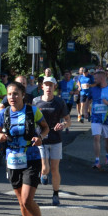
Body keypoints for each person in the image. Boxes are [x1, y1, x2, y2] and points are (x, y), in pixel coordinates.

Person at [0, 81, 50, 216]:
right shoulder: (3, 114)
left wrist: (39, 137)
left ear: (22, 95)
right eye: (9, 94)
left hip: (31, 158)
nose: (12, 97)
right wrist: (0, 138)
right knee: (21, 202)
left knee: (27, 200)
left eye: (15, 94)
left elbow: (45, 128)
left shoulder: (33, 111)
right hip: (12, 159)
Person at [33, 76, 71, 206]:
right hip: (41, 139)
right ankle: (43, 175)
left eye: (51, 85)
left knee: (55, 169)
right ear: (42, 87)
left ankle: (55, 194)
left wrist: (63, 125)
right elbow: (29, 119)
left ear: (55, 87)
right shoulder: (35, 102)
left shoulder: (59, 102)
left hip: (56, 140)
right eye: (46, 85)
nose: (48, 87)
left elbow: (68, 120)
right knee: (45, 168)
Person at [85, 68, 108, 169]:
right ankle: (97, 160)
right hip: (95, 118)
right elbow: (87, 101)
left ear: (102, 78)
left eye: (96, 78)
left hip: (107, 119)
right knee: (96, 137)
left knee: (107, 139)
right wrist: (85, 112)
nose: (94, 80)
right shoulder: (93, 89)